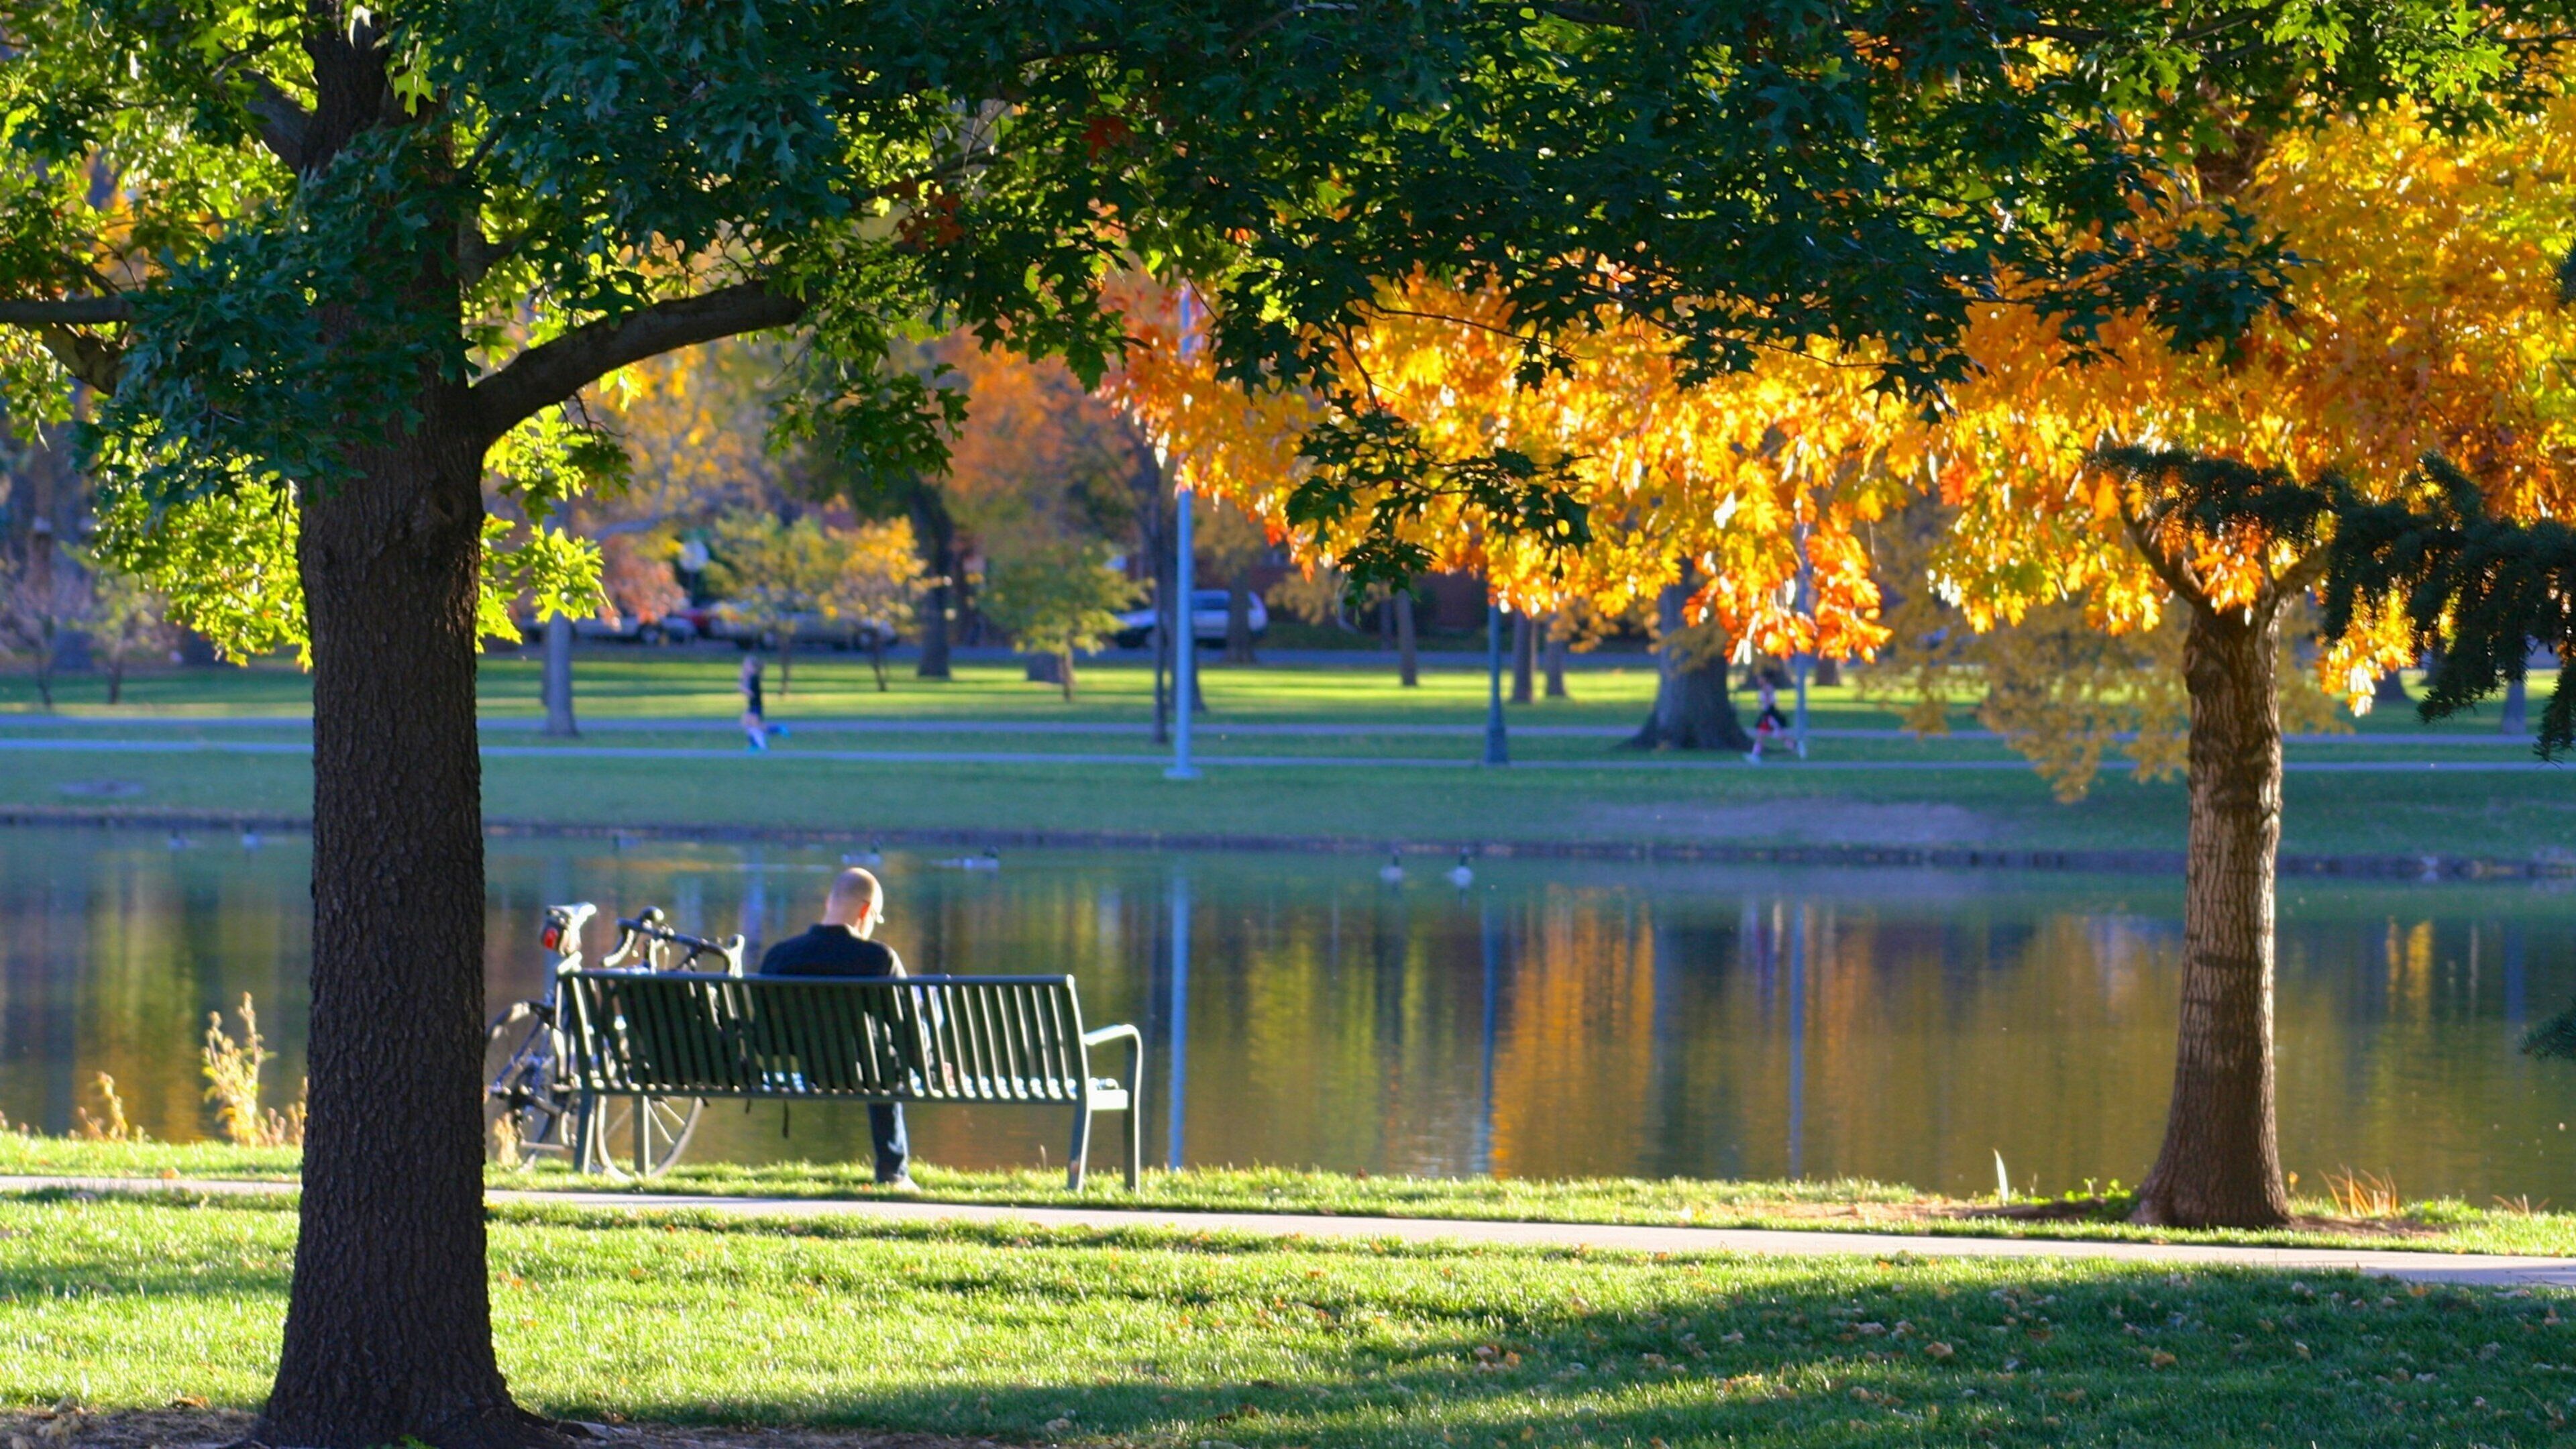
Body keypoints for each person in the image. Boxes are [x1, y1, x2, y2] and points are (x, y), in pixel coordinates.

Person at [759, 867, 913, 1188]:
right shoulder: (878, 959)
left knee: (882, 1051)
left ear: (830, 901)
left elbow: (766, 1036)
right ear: (866, 911)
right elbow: (906, 1028)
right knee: (890, 1051)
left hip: (804, 1068)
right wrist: (929, 1066)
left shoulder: (779, 956)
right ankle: (893, 1171)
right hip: (863, 1072)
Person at [1748, 676, 1789, 762]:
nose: (1758, 680)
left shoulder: (1768, 688)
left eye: (1760, 678)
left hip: (1769, 716)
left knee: (1765, 735)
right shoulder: (1765, 689)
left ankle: (1755, 755)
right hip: (1767, 715)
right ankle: (1755, 755)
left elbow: (1770, 703)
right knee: (1769, 735)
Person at [739, 651, 767, 751]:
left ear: (752, 667)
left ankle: (760, 745)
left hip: (756, 706)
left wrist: (742, 688)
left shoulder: (755, 678)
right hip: (753, 705)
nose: (745, 667)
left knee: (755, 727)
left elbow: (751, 694)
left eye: (747, 665)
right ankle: (755, 745)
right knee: (748, 724)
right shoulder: (751, 677)